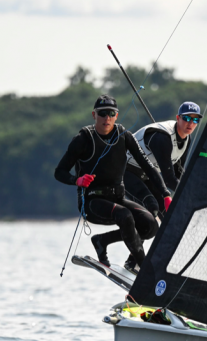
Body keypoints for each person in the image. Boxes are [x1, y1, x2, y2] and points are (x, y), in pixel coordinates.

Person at [54, 94, 172, 274]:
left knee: (150, 225)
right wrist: (76, 180)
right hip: (92, 202)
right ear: (94, 115)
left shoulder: (124, 136)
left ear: (116, 116)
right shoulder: (83, 139)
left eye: (111, 113)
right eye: (102, 114)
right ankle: (147, 269)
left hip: (117, 198)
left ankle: (102, 241)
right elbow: (59, 172)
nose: (106, 118)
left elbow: (148, 166)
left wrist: (165, 194)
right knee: (125, 216)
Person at [124, 101, 202, 218]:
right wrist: (192, 195)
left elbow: (178, 172)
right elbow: (169, 179)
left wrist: (196, 189)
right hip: (126, 170)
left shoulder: (186, 137)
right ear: (178, 118)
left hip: (148, 174)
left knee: (169, 215)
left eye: (195, 120)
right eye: (186, 118)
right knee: (152, 207)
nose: (191, 123)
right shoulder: (162, 138)